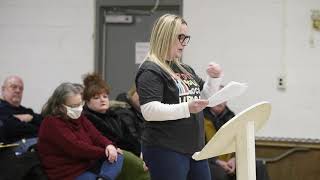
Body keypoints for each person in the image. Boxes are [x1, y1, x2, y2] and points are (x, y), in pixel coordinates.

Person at [135, 14, 223, 180]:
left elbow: (205, 98)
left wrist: (215, 78)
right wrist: (187, 107)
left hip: (195, 149)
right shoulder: (151, 70)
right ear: (165, 36)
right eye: (180, 37)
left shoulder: (184, 69)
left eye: (186, 38)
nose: (184, 43)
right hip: (165, 149)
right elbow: (149, 110)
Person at [37, 82, 123, 180]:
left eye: (80, 104)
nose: (78, 109)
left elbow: (96, 135)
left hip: (87, 164)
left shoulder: (78, 116)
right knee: (113, 155)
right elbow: (76, 148)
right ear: (60, 106)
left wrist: (109, 145)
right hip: (68, 172)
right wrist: (106, 152)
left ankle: (103, 178)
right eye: (73, 106)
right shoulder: (51, 123)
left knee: (118, 155)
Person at [81, 73, 150, 180]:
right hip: (104, 160)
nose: (102, 100)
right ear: (87, 101)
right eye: (96, 98)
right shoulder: (86, 119)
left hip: (123, 157)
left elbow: (130, 140)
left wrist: (142, 154)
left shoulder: (114, 116)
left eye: (105, 96)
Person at [203, 99, 269, 180]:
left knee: (258, 166)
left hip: (231, 160)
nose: (220, 101)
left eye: (223, 98)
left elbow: (243, 141)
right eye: (217, 97)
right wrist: (216, 161)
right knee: (219, 174)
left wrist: (235, 158)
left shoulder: (231, 117)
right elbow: (198, 147)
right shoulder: (201, 118)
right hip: (210, 161)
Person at [0, 75, 42, 152]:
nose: (18, 91)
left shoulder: (27, 111)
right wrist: (35, 125)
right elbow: (11, 128)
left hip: (36, 144)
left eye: (21, 88)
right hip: (14, 151)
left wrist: (32, 118)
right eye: (14, 87)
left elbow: (46, 123)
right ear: (3, 89)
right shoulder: (1, 109)